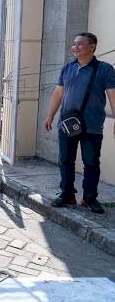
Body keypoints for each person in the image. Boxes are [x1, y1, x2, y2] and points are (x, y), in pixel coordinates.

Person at [44, 32, 115, 214]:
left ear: (92, 47)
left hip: (91, 125)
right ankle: (67, 194)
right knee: (65, 160)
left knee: (91, 162)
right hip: (67, 124)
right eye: (74, 43)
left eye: (80, 44)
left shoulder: (105, 69)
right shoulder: (67, 68)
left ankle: (89, 198)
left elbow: (113, 96)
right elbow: (58, 93)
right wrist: (50, 115)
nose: (75, 47)